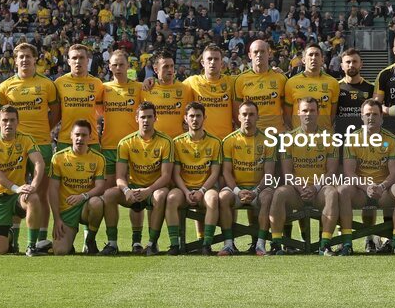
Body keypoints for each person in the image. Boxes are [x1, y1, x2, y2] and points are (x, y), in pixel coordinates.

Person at [0, 43, 60, 253]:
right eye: (20, 57)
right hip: (16, 148)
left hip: (41, 145)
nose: (24, 60)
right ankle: (13, 237)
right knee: (17, 192)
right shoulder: (5, 87)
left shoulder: (47, 85)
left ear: (35, 60)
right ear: (15, 60)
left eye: (28, 57)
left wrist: (43, 131)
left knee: (41, 193)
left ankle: (41, 239)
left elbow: (56, 112)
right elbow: (2, 117)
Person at [269, 97, 340, 256]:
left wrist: (314, 188)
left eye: (312, 110)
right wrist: (301, 188)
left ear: (318, 113)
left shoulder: (330, 138)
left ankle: (325, 244)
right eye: (305, 111)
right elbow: (287, 173)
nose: (308, 114)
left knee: (332, 193)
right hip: (297, 190)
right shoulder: (289, 138)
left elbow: (331, 172)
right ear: (298, 113)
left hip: (319, 189)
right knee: (279, 193)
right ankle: (276, 244)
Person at [106, 102, 175, 255]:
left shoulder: (166, 141)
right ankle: (112, 244)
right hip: (133, 189)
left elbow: (166, 176)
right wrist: (125, 190)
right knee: (109, 195)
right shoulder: (125, 142)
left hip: (154, 188)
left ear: (156, 118)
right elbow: (120, 176)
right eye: (143, 117)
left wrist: (148, 190)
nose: (146, 120)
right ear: (136, 118)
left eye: (150, 117)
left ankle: (152, 243)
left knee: (161, 195)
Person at [0, 105, 46, 256]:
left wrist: (33, 185)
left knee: (33, 198)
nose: (8, 123)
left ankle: (31, 247)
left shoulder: (26, 139)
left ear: (17, 122)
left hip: (18, 196)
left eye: (12, 120)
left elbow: (39, 162)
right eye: (4, 120)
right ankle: (9, 236)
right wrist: (15, 187)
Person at [339, 99, 395, 256]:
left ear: (382, 117)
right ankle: (346, 242)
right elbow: (349, 172)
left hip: (383, 191)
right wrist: (366, 187)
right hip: (360, 190)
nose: (371, 118)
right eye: (367, 114)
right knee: (342, 190)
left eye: (375, 114)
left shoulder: (392, 140)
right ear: (361, 116)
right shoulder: (352, 138)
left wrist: (381, 187)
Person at [98, 49, 142, 252]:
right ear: (109, 66)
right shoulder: (103, 88)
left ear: (128, 66)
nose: (117, 68)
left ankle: (137, 241)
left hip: (134, 149)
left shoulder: (139, 88)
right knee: (109, 195)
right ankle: (112, 241)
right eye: (114, 64)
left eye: (121, 64)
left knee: (137, 196)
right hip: (108, 148)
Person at [221, 100, 276, 256]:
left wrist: (256, 191)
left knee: (268, 197)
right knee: (223, 196)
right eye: (244, 114)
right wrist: (238, 191)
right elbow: (226, 172)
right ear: (238, 117)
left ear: (257, 116)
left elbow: (269, 174)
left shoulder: (268, 141)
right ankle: (228, 244)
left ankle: (260, 244)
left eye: (251, 114)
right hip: (236, 189)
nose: (247, 118)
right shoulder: (229, 140)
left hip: (259, 188)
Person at [48, 120, 107, 255]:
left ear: (90, 137)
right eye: (77, 134)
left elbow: (100, 187)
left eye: (84, 135)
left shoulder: (98, 158)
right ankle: (68, 243)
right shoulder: (58, 158)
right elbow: (52, 190)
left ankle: (90, 240)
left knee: (97, 203)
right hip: (66, 210)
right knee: (60, 251)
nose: (80, 138)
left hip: (86, 205)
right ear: (71, 136)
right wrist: (57, 219)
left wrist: (83, 196)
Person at [172, 102, 223, 254]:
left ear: (204, 118)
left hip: (205, 188)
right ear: (185, 119)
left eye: (198, 116)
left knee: (213, 199)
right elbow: (175, 173)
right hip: (184, 189)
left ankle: (206, 244)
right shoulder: (176, 143)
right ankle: (175, 245)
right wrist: (186, 191)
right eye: (191, 116)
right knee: (171, 198)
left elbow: (215, 173)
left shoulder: (215, 142)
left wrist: (201, 190)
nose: (195, 119)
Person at [54, 43, 104, 152]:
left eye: (81, 57)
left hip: (91, 140)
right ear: (68, 61)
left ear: (88, 60)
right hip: (65, 140)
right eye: (74, 58)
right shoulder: (59, 83)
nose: (77, 61)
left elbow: (100, 112)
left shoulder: (97, 83)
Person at [234, 39, 289, 132]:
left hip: (276, 133)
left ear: (269, 54)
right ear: (250, 55)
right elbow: (236, 112)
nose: (259, 55)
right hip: (252, 134)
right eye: (255, 52)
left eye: (262, 51)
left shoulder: (280, 78)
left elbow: (287, 109)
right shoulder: (240, 80)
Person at [184, 45, 236, 141]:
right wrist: (151, 80)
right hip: (201, 141)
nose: (212, 62)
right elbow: (171, 86)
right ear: (202, 62)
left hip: (225, 140)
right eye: (209, 59)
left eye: (216, 59)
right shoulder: (192, 82)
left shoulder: (232, 82)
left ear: (221, 63)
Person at [284, 44, 339, 131]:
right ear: (303, 60)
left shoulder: (333, 83)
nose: (313, 58)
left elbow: (333, 115)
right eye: (310, 55)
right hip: (299, 138)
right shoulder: (291, 82)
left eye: (317, 55)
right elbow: (287, 116)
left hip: (323, 137)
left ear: (322, 60)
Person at [142, 51, 195, 138]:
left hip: (178, 141)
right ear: (155, 69)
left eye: (172, 66)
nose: (170, 70)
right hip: (153, 142)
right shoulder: (145, 89)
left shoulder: (185, 89)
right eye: (165, 67)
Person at [334, 48, 374, 136]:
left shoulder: (371, 88)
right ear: (342, 66)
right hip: (341, 135)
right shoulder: (335, 87)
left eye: (355, 61)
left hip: (364, 136)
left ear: (361, 64)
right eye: (348, 62)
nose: (351, 65)